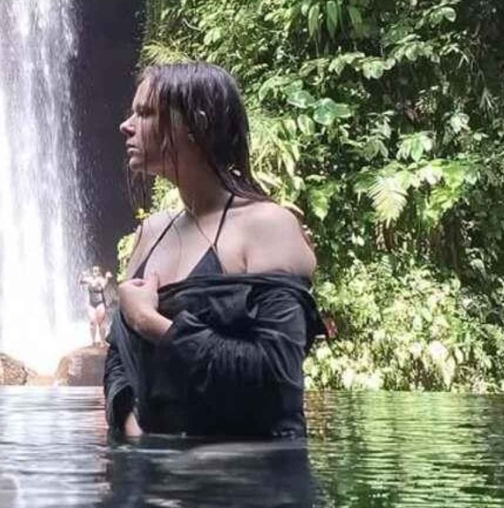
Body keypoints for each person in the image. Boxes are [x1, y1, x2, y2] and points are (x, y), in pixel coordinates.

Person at [106, 62, 324, 439]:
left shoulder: (267, 226)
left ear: (196, 124)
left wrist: (153, 324)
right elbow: (119, 360)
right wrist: (135, 433)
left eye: (144, 113)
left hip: (250, 483)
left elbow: (277, 380)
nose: (126, 125)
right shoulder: (150, 232)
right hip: (154, 481)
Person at [81, 265, 113, 345]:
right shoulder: (89, 279)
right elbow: (80, 281)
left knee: (101, 322)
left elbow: (103, 286)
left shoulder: (102, 280)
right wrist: (82, 275)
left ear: (99, 272)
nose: (94, 272)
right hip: (91, 303)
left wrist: (106, 278)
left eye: (96, 271)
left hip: (100, 302)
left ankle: (102, 340)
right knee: (92, 321)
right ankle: (93, 341)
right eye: (93, 271)